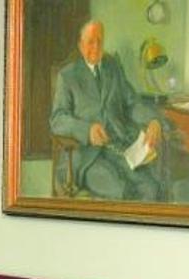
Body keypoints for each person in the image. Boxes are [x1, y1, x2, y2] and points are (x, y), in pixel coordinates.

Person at [50, 20, 166, 201]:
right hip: (87, 157)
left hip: (120, 149)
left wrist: (153, 120)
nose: (96, 47)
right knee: (122, 191)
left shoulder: (113, 68)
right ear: (81, 46)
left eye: (100, 41)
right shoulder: (67, 76)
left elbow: (132, 102)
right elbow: (57, 119)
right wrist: (87, 130)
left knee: (151, 188)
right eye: (90, 42)